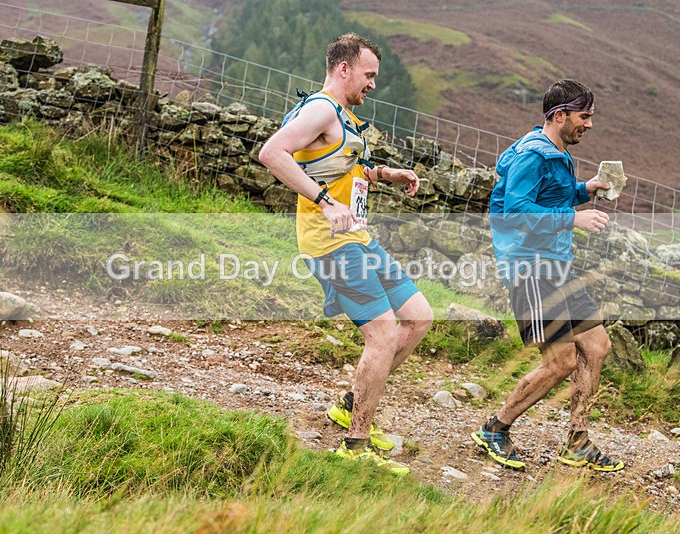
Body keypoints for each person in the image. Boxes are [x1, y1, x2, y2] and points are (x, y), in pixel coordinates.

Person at [259, 33, 433, 474]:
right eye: (368, 74)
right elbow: (271, 153)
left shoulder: (344, 116)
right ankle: (356, 444)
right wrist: (324, 201)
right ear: (344, 69)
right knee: (383, 334)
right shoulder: (321, 108)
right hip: (330, 242)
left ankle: (353, 403)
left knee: (419, 317)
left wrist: (386, 174)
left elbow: (343, 166)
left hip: (357, 237)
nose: (373, 84)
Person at [475, 79, 624, 472]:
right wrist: (573, 218)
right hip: (530, 269)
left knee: (597, 346)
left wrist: (585, 189)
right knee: (560, 363)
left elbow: (550, 195)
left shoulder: (558, 153)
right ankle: (495, 427)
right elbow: (516, 211)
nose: (589, 124)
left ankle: (577, 441)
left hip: (557, 267)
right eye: (584, 116)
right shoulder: (533, 156)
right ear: (559, 116)